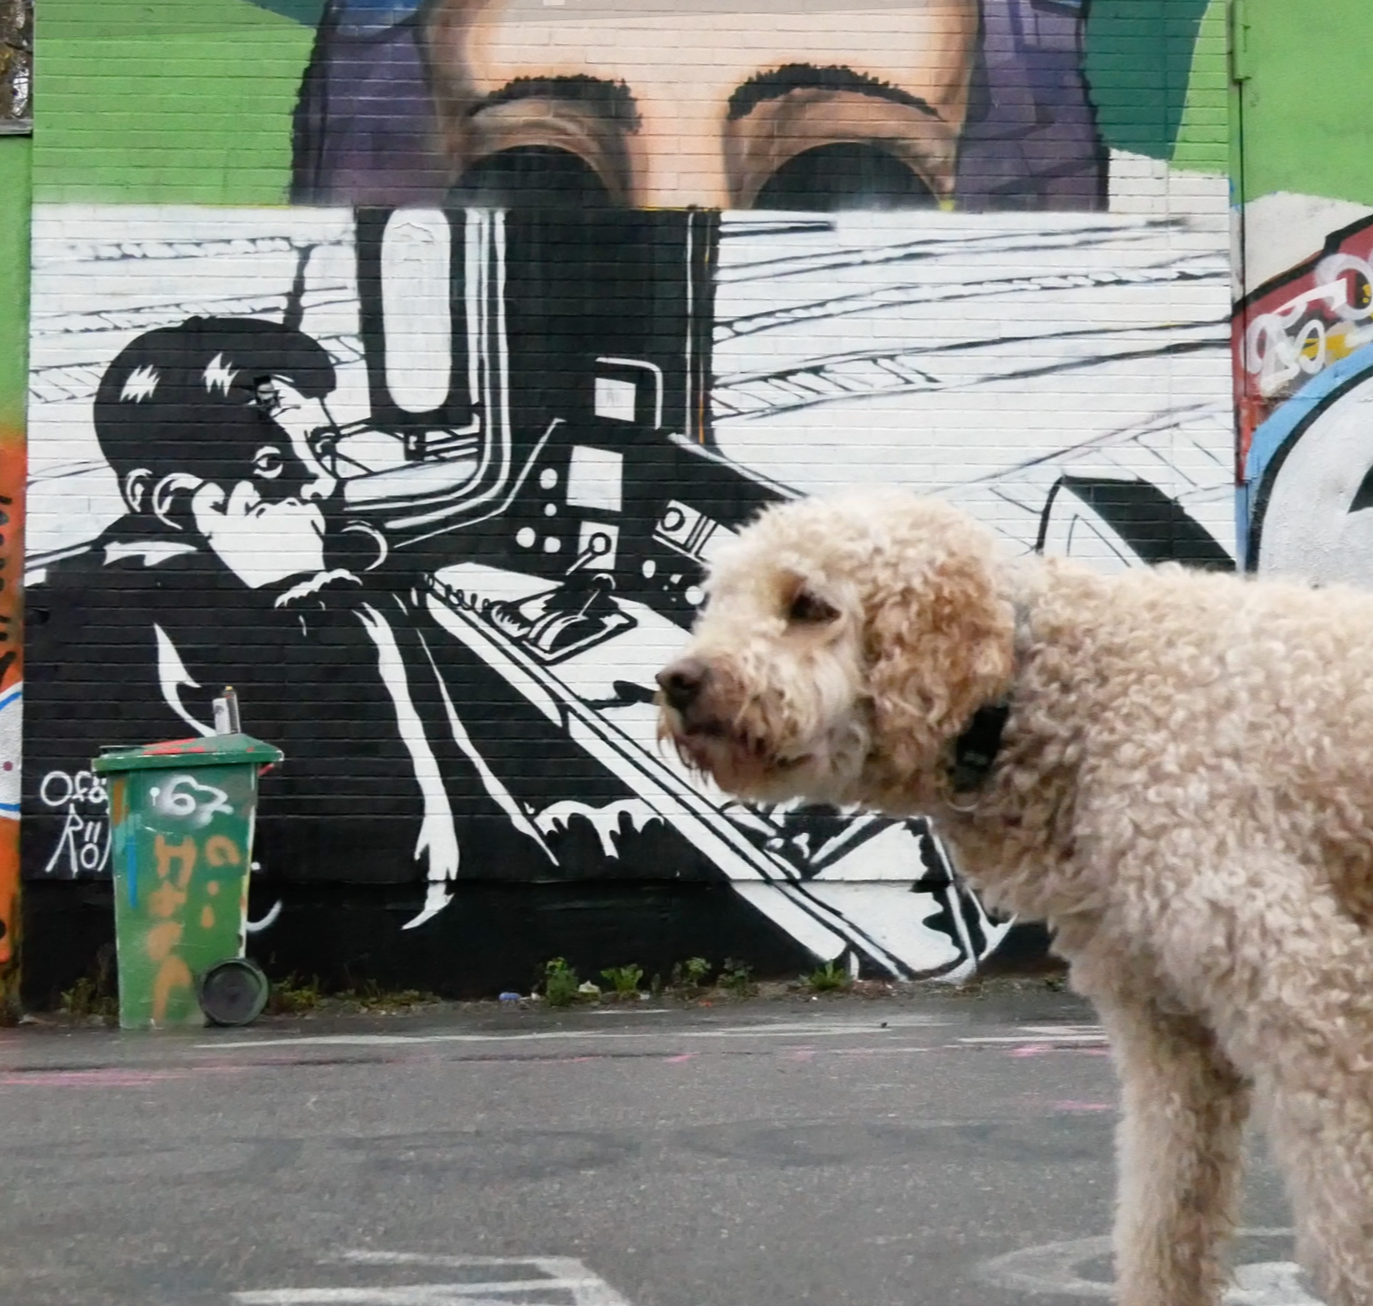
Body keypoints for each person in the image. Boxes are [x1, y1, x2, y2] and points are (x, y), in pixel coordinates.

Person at [23, 317, 553, 925]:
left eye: (322, 447)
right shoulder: (159, 635)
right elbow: (403, 872)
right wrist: (308, 600)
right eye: (273, 463)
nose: (322, 480)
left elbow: (453, 798)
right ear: (164, 498)